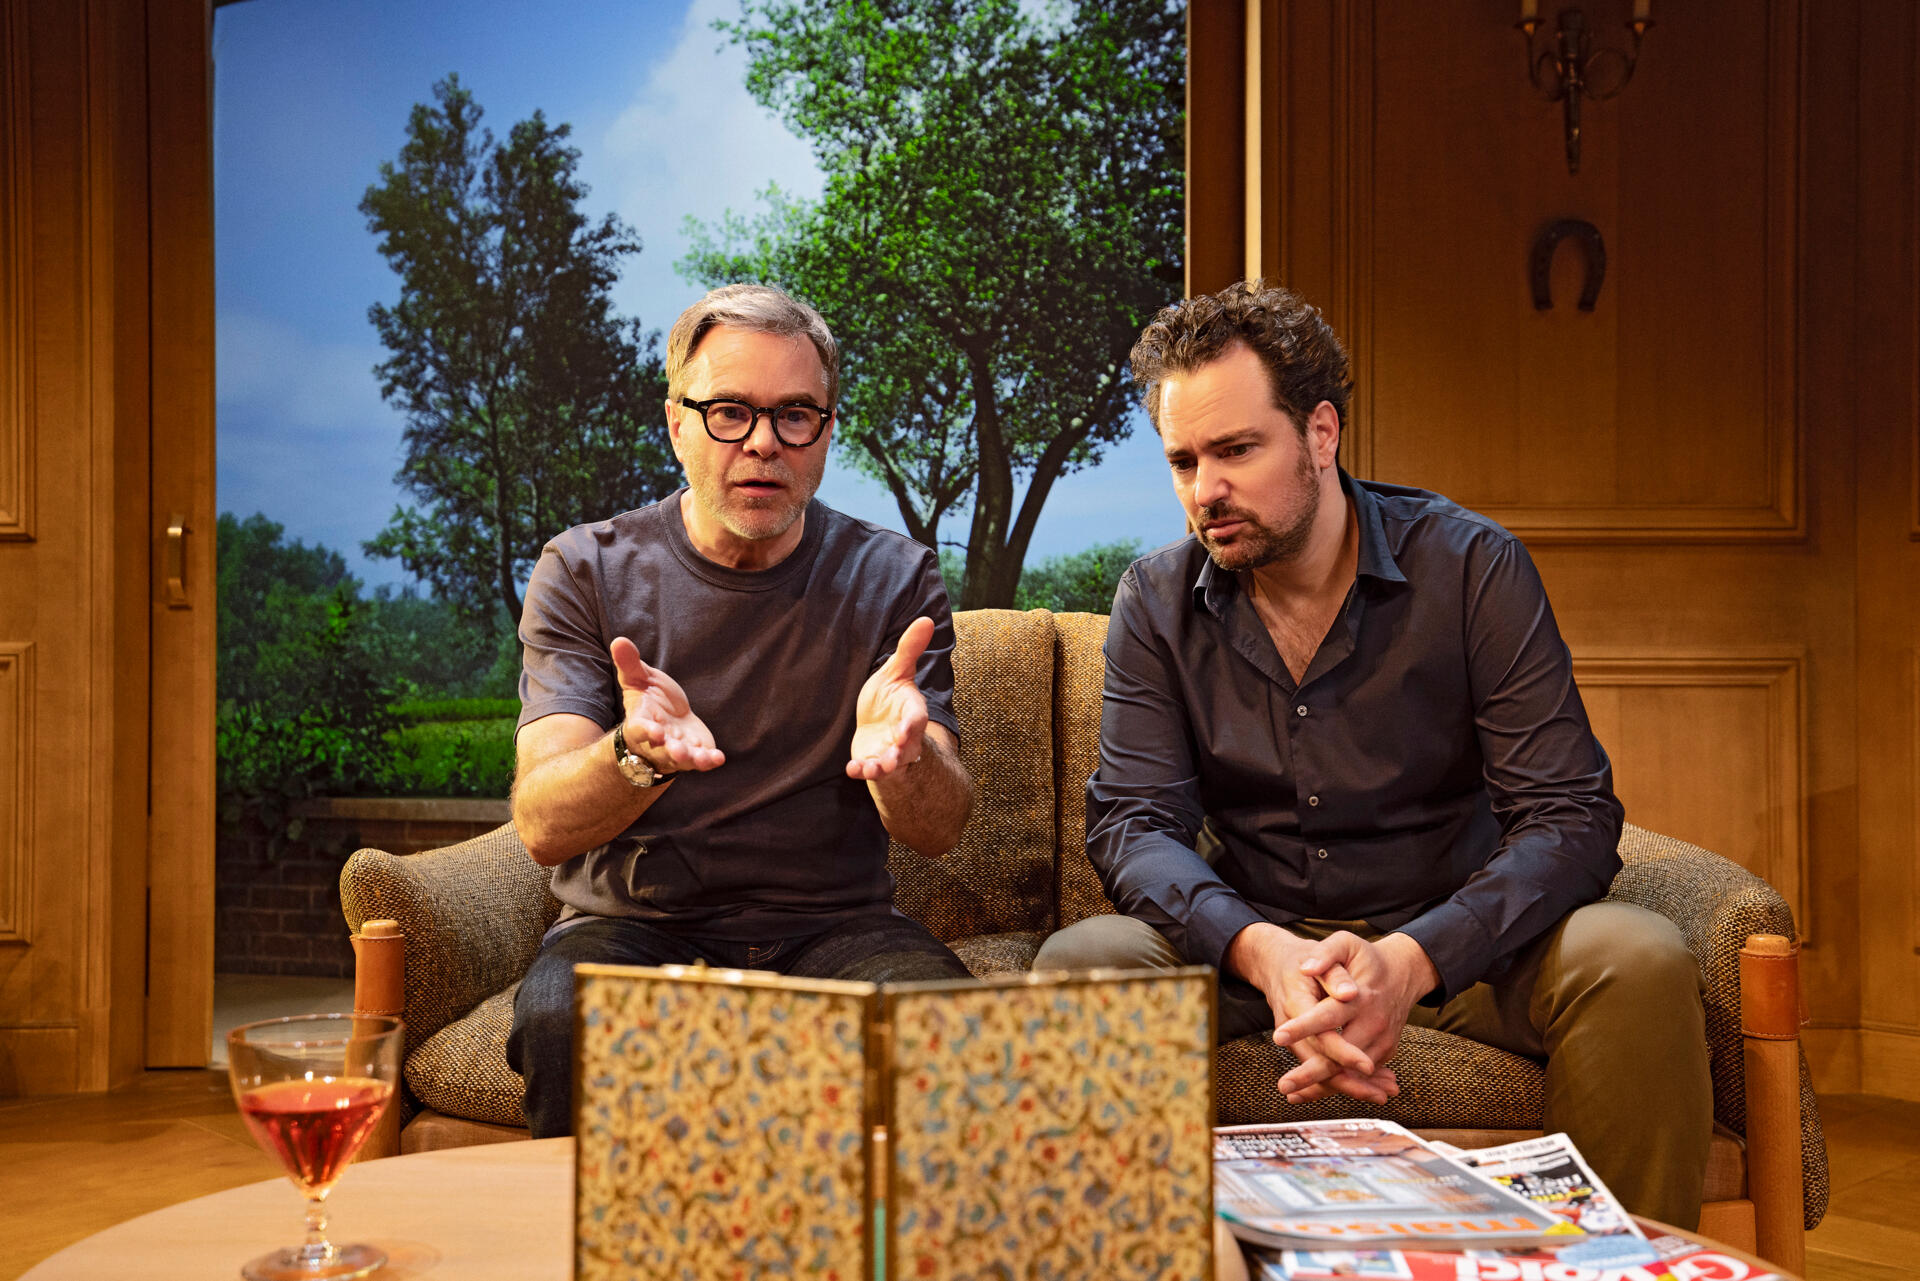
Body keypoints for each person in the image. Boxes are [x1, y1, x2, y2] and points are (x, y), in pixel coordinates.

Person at [1033, 280, 1712, 1226]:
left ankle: (1616, 1266)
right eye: (1183, 460)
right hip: (1253, 942)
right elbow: (1133, 825)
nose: (1205, 490)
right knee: (1087, 960)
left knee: (1635, 956)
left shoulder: (1471, 568)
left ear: (1321, 433)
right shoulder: (1155, 600)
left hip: (1464, 945)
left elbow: (1570, 816)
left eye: (1236, 450)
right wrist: (1260, 949)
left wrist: (1417, 957)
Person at [505, 283, 975, 1138]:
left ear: (826, 432)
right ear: (676, 424)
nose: (763, 442)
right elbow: (541, 825)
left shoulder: (895, 578)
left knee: (944, 1019)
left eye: (795, 414)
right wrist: (636, 752)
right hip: (633, 928)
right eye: (729, 411)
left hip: (838, 928)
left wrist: (906, 760)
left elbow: (939, 829)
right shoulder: (583, 570)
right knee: (561, 1018)